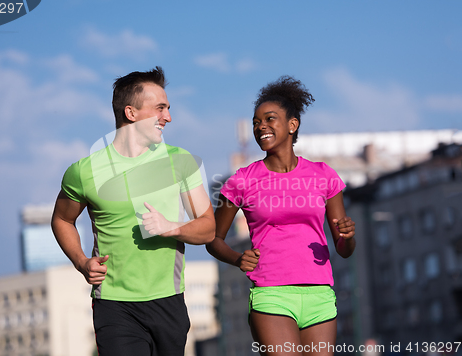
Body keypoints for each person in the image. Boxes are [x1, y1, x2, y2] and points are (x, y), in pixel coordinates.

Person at [51, 66, 215, 356]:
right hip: (114, 304)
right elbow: (63, 219)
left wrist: (172, 227)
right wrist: (80, 261)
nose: (168, 117)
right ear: (131, 113)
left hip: (169, 301)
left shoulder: (180, 161)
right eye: (160, 108)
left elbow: (208, 228)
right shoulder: (84, 171)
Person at [206, 76, 356, 356]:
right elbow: (213, 239)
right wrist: (237, 259)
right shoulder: (242, 180)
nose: (260, 126)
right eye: (255, 122)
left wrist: (348, 236)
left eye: (269, 119)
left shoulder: (324, 175)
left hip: (320, 293)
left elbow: (344, 249)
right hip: (271, 294)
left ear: (292, 125)